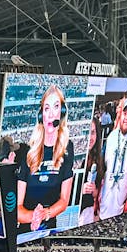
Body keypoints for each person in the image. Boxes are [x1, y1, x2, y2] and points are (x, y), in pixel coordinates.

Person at [16, 85, 75, 234]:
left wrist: (46, 213)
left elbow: (64, 200)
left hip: (50, 227)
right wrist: (34, 217)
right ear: (40, 114)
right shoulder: (27, 151)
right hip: (27, 227)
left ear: (62, 113)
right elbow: (17, 207)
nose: (50, 114)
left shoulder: (67, 148)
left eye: (56, 107)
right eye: (46, 108)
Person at [98, 96, 127, 220]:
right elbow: (102, 167)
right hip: (106, 193)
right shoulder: (111, 136)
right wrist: (98, 193)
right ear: (120, 113)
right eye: (125, 113)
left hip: (122, 195)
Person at [78, 114, 107, 225]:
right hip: (72, 212)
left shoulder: (98, 159)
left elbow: (97, 193)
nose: (90, 137)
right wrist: (81, 189)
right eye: (87, 132)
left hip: (87, 213)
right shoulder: (74, 157)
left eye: (93, 132)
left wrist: (94, 190)